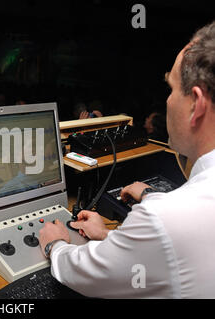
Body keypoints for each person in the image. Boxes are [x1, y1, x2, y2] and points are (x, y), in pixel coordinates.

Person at [39, 21, 215, 298]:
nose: (167, 101)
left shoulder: (164, 220)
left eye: (171, 89)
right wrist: (114, 236)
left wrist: (55, 245)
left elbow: (81, 272)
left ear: (197, 104)